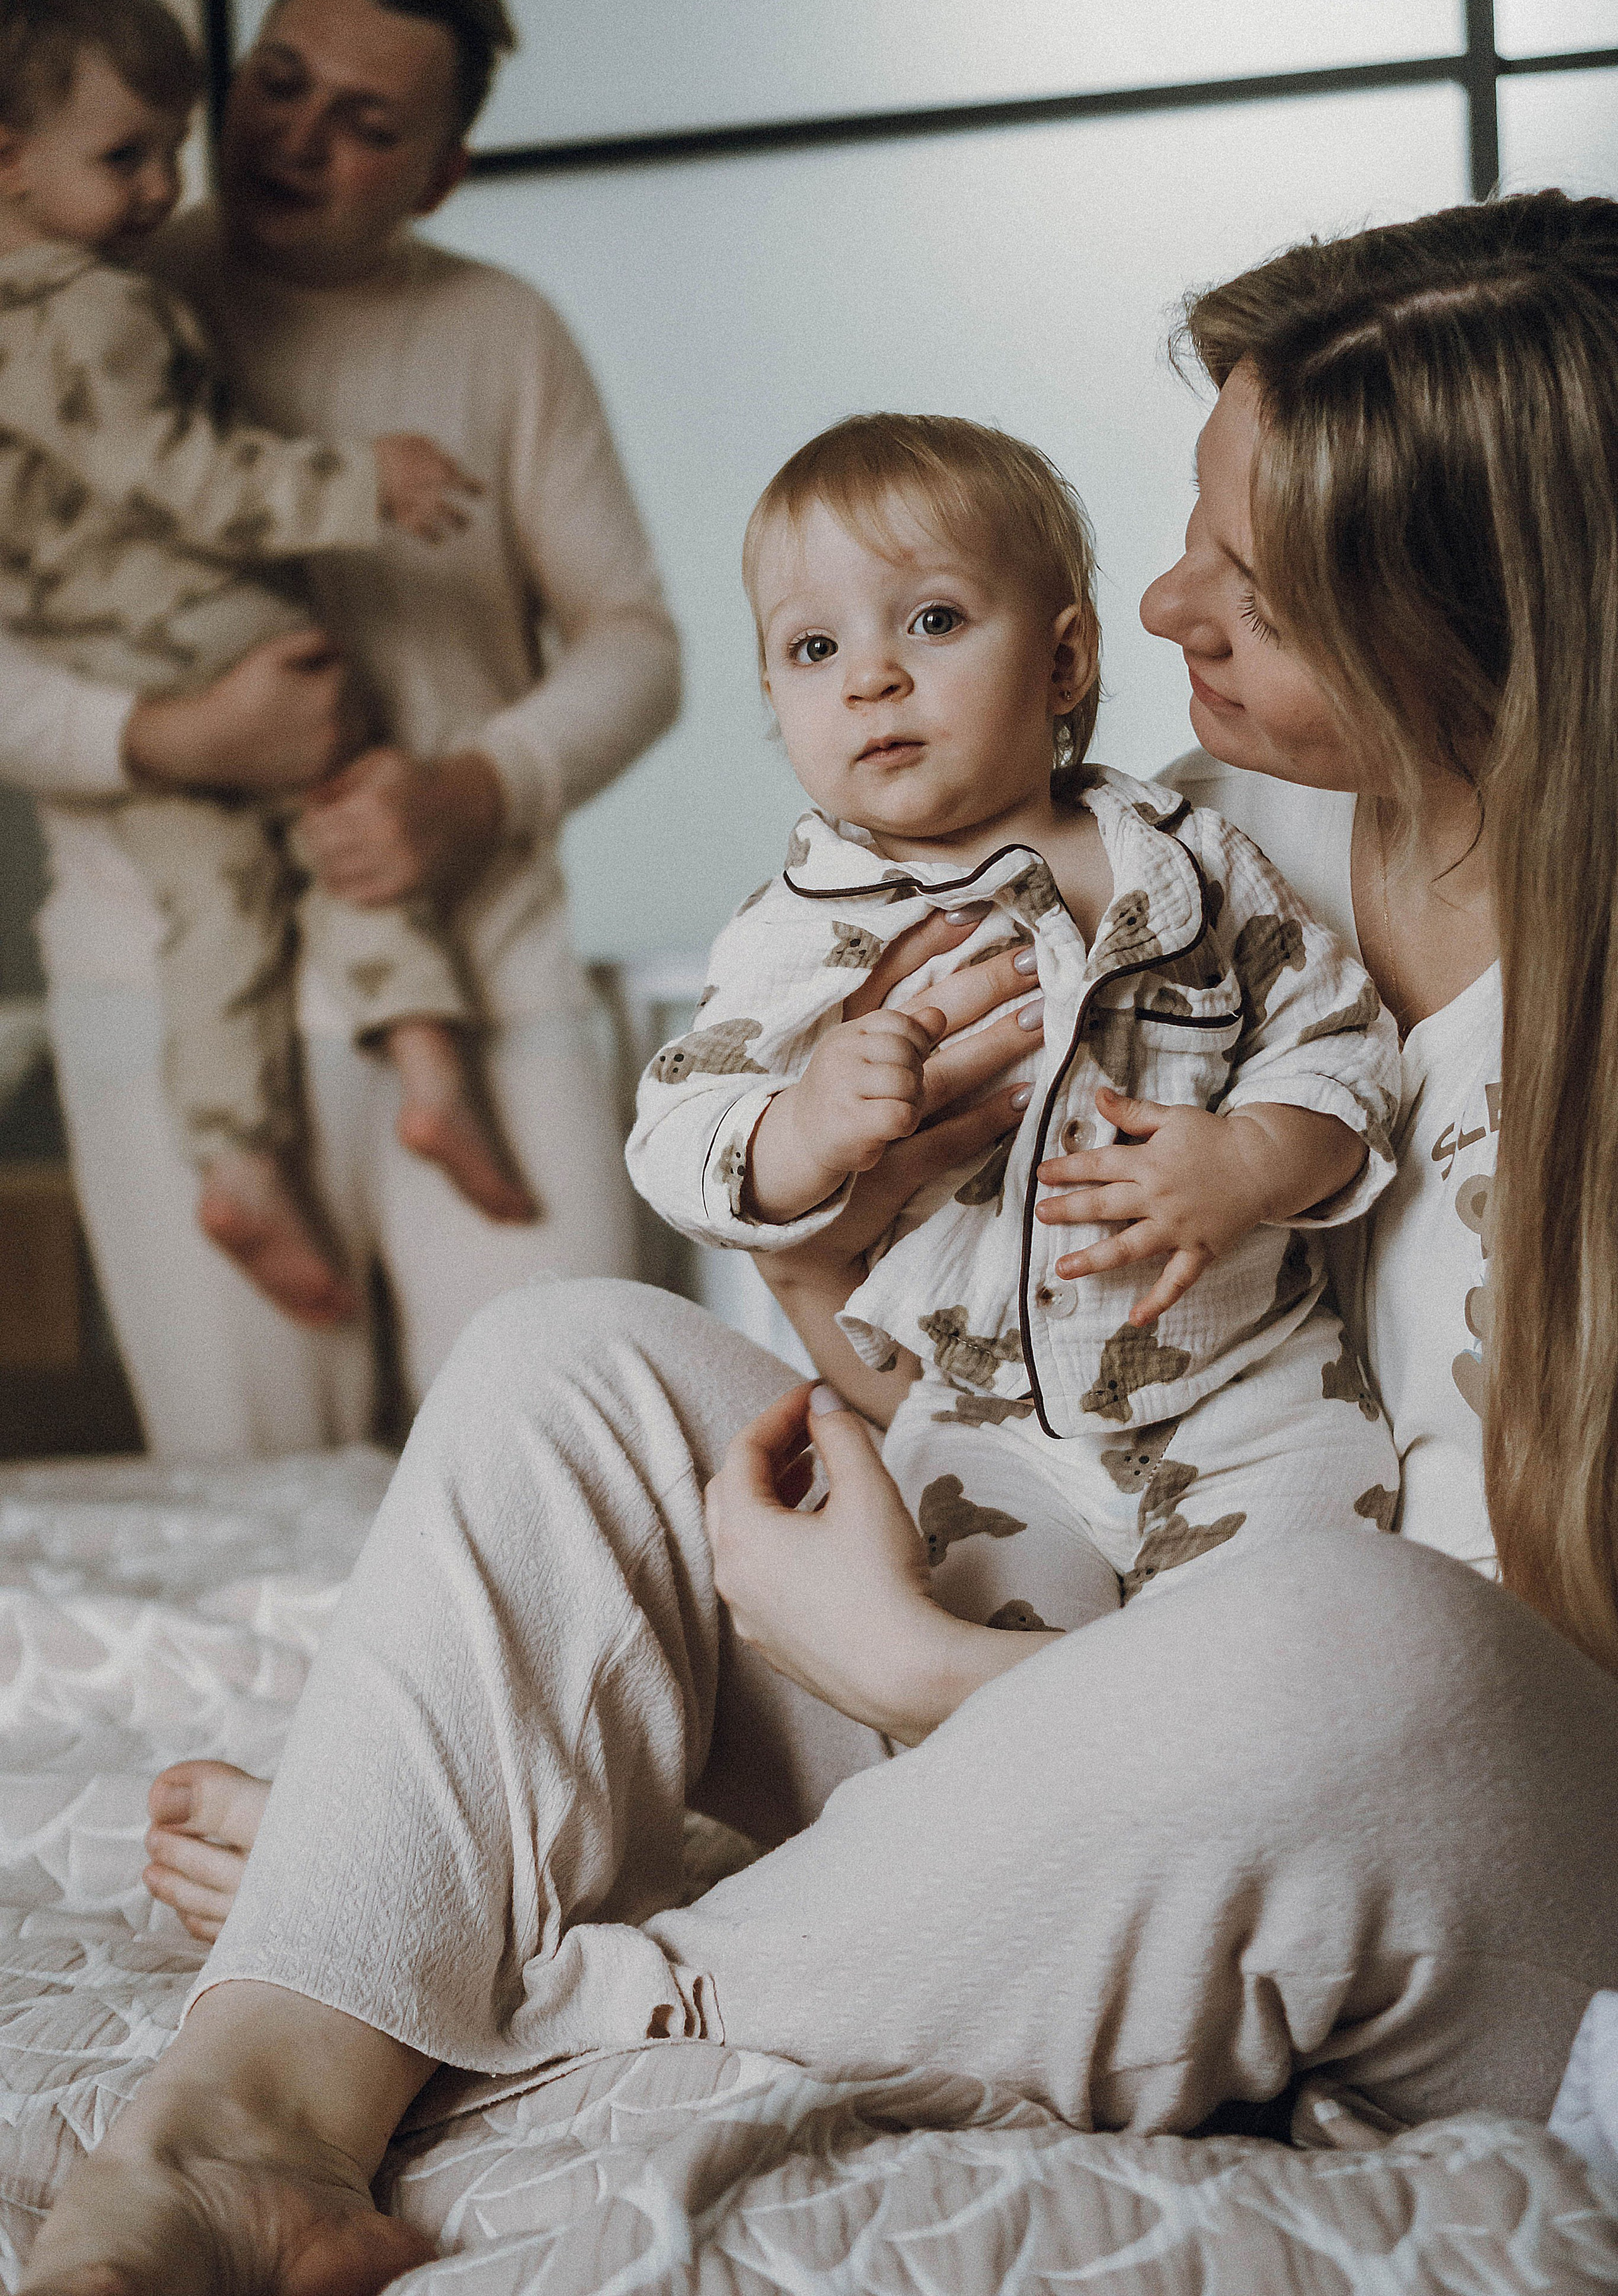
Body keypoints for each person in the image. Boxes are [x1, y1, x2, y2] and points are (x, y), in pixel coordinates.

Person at [27, 192, 1618, 2294]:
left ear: (1487, 626)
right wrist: (828, 1257)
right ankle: (254, 2125)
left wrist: (916, 1674)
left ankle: (512, 1981)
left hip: (1419, 1812)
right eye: (1190, 531)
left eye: (1248, 582)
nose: (1152, 604)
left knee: (1368, 1645)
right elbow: (960, 1347)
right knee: (568, 1359)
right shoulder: (1221, 843)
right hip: (1100, 1644)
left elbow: (1447, 1724)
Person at [0, 0, 679, 1456]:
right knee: (259, 1509)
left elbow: (637, 644)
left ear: (438, 177)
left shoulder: (503, 331)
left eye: (367, 122)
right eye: (277, 82)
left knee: (562, 1475)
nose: (293, 136)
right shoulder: (73, 308)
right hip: (169, 995)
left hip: (486, 990)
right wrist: (162, 741)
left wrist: (469, 792)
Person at [629, 413, 1401, 1626]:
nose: (870, 677)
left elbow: (1342, 1040)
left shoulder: (1189, 862)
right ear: (776, 695)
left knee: (1308, 1634)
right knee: (993, 1675)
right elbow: (677, 1131)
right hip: (985, 1430)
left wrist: (1254, 1158)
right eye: (813, 646)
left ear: (1064, 663)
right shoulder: (804, 931)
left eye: (932, 621)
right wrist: (803, 1125)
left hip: (1248, 1382)